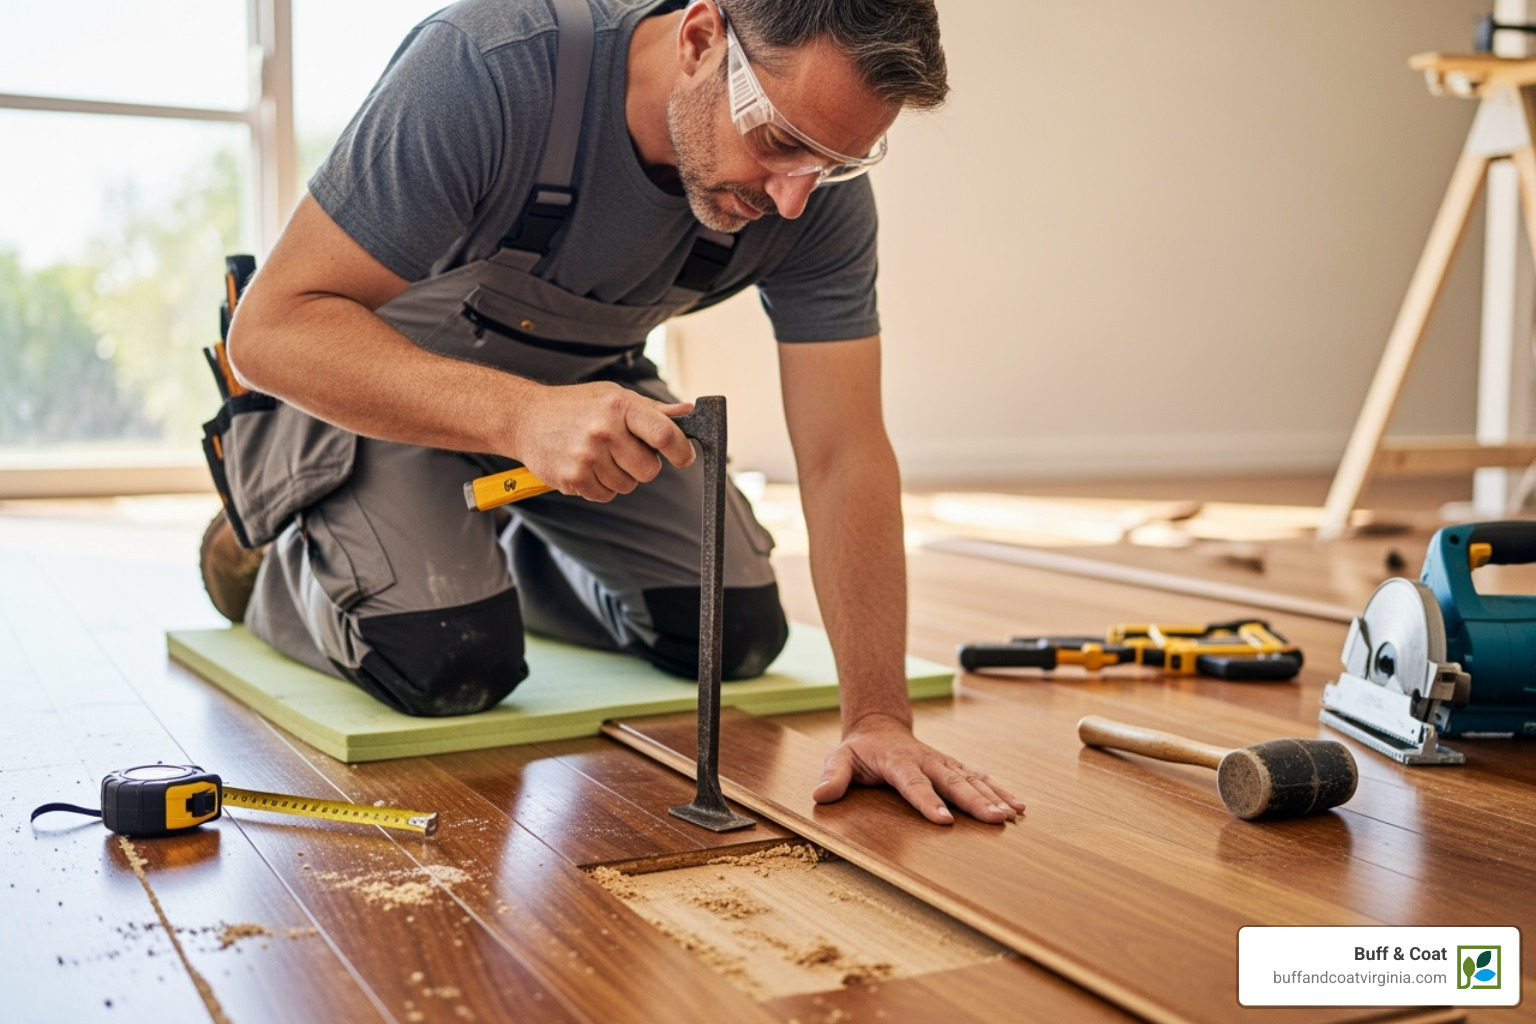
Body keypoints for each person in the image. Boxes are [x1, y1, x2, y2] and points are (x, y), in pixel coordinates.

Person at [208, 0, 1025, 826]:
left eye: (837, 165)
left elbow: (843, 451)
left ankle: (482, 554)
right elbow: (269, 331)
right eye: (778, 142)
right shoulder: (487, 68)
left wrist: (878, 717)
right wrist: (521, 416)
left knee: (730, 633)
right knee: (446, 660)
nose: (792, 200)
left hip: (579, 392)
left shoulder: (807, 194)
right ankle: (273, 549)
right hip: (376, 401)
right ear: (701, 40)